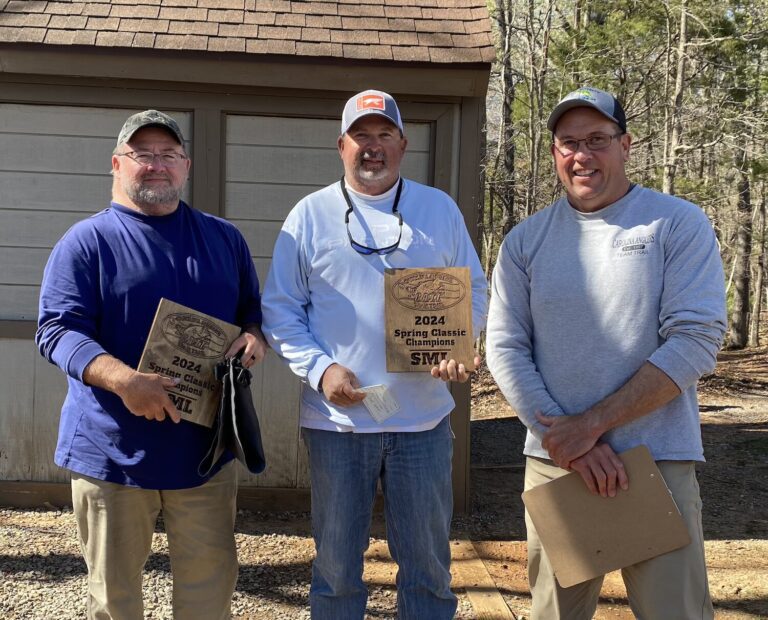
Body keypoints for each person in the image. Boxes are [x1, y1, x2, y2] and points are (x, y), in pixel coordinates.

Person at [486, 86, 726, 619]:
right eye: (568, 142)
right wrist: (567, 440)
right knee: (555, 614)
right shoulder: (525, 242)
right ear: (553, 152)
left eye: (597, 139)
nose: (582, 155)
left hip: (657, 458)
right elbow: (505, 346)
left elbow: (696, 340)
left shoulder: (676, 224)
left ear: (626, 144)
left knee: (675, 613)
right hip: (558, 465)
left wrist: (590, 425)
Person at [261, 89, 488, 619]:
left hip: (424, 423)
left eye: (384, 134)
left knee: (429, 569)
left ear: (403, 144)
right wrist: (321, 370)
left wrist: (460, 342)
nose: (373, 147)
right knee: (337, 570)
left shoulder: (438, 208)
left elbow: (473, 290)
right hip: (337, 425)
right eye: (361, 135)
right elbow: (280, 309)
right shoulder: (309, 216)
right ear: (340, 145)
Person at [36, 109, 268, 620]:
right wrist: (124, 381)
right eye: (143, 155)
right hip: (112, 452)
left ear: (185, 166)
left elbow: (252, 312)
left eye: (168, 155)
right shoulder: (86, 243)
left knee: (209, 594)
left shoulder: (224, 239)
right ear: (117, 164)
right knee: (115, 600)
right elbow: (56, 330)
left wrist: (254, 338)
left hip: (205, 451)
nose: (156, 165)